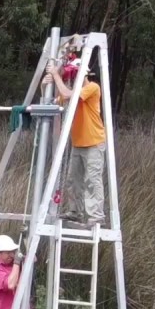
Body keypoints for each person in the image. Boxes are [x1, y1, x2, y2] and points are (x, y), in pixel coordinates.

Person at [45, 55, 106, 227]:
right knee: (73, 180)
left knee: (92, 180)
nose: (71, 79)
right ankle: (75, 211)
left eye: (74, 75)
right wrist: (47, 82)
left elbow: (67, 94)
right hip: (78, 144)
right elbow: (53, 100)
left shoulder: (92, 88)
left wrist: (57, 75)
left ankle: (96, 216)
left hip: (94, 142)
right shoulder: (72, 90)